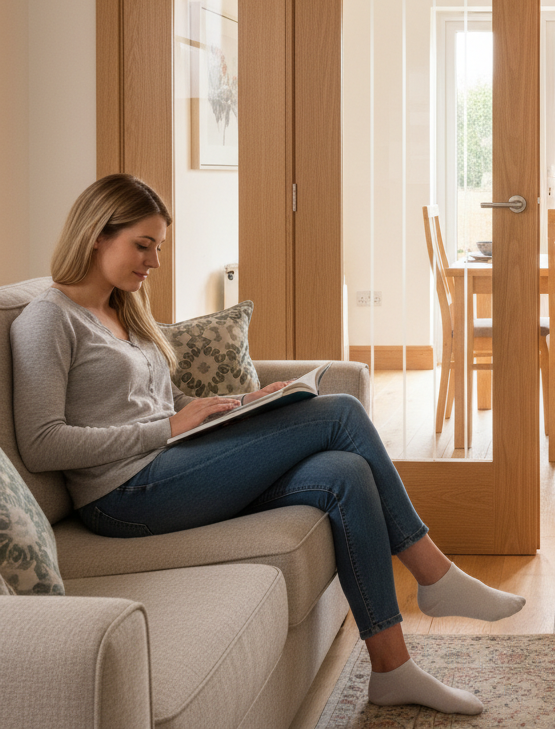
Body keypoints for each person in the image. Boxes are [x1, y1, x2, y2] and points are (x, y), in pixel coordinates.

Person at [11, 173, 525, 716]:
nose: (154, 262)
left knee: (344, 472)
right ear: (96, 235)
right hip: (122, 495)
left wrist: (243, 404)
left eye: (158, 247)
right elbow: (42, 445)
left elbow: (157, 400)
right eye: (143, 245)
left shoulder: (124, 311)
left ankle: (393, 669)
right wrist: (166, 430)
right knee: (342, 414)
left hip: (166, 465)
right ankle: (434, 574)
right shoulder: (48, 319)